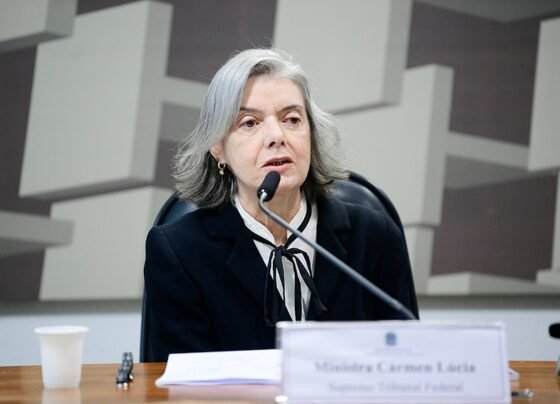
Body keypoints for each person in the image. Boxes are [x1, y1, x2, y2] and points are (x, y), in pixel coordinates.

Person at [143, 48, 418, 361]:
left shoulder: (375, 237)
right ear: (218, 148)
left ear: (311, 135)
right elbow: (183, 380)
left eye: (292, 119)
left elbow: (406, 364)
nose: (277, 136)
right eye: (249, 123)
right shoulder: (180, 252)